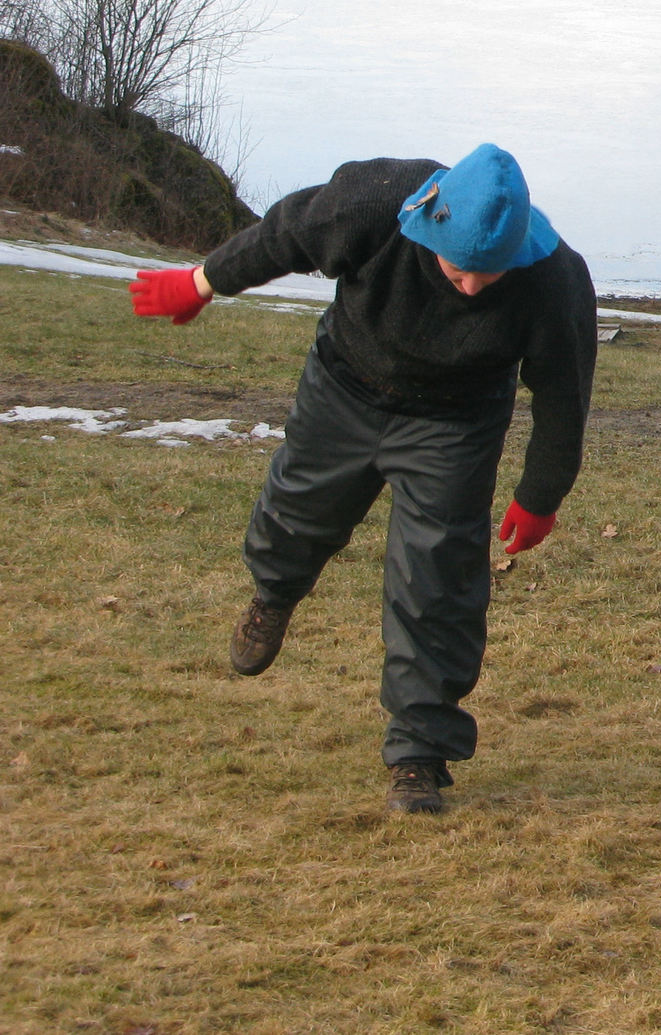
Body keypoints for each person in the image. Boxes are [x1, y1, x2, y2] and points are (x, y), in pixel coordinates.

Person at [128, 144, 597, 814]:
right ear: (431, 227)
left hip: (455, 424)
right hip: (347, 384)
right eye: (459, 270)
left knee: (437, 579)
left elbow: (563, 391)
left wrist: (542, 492)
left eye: (487, 276)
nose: (470, 288)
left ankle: (419, 756)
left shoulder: (553, 276)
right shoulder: (374, 202)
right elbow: (284, 234)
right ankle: (274, 591)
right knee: (297, 509)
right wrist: (201, 282)